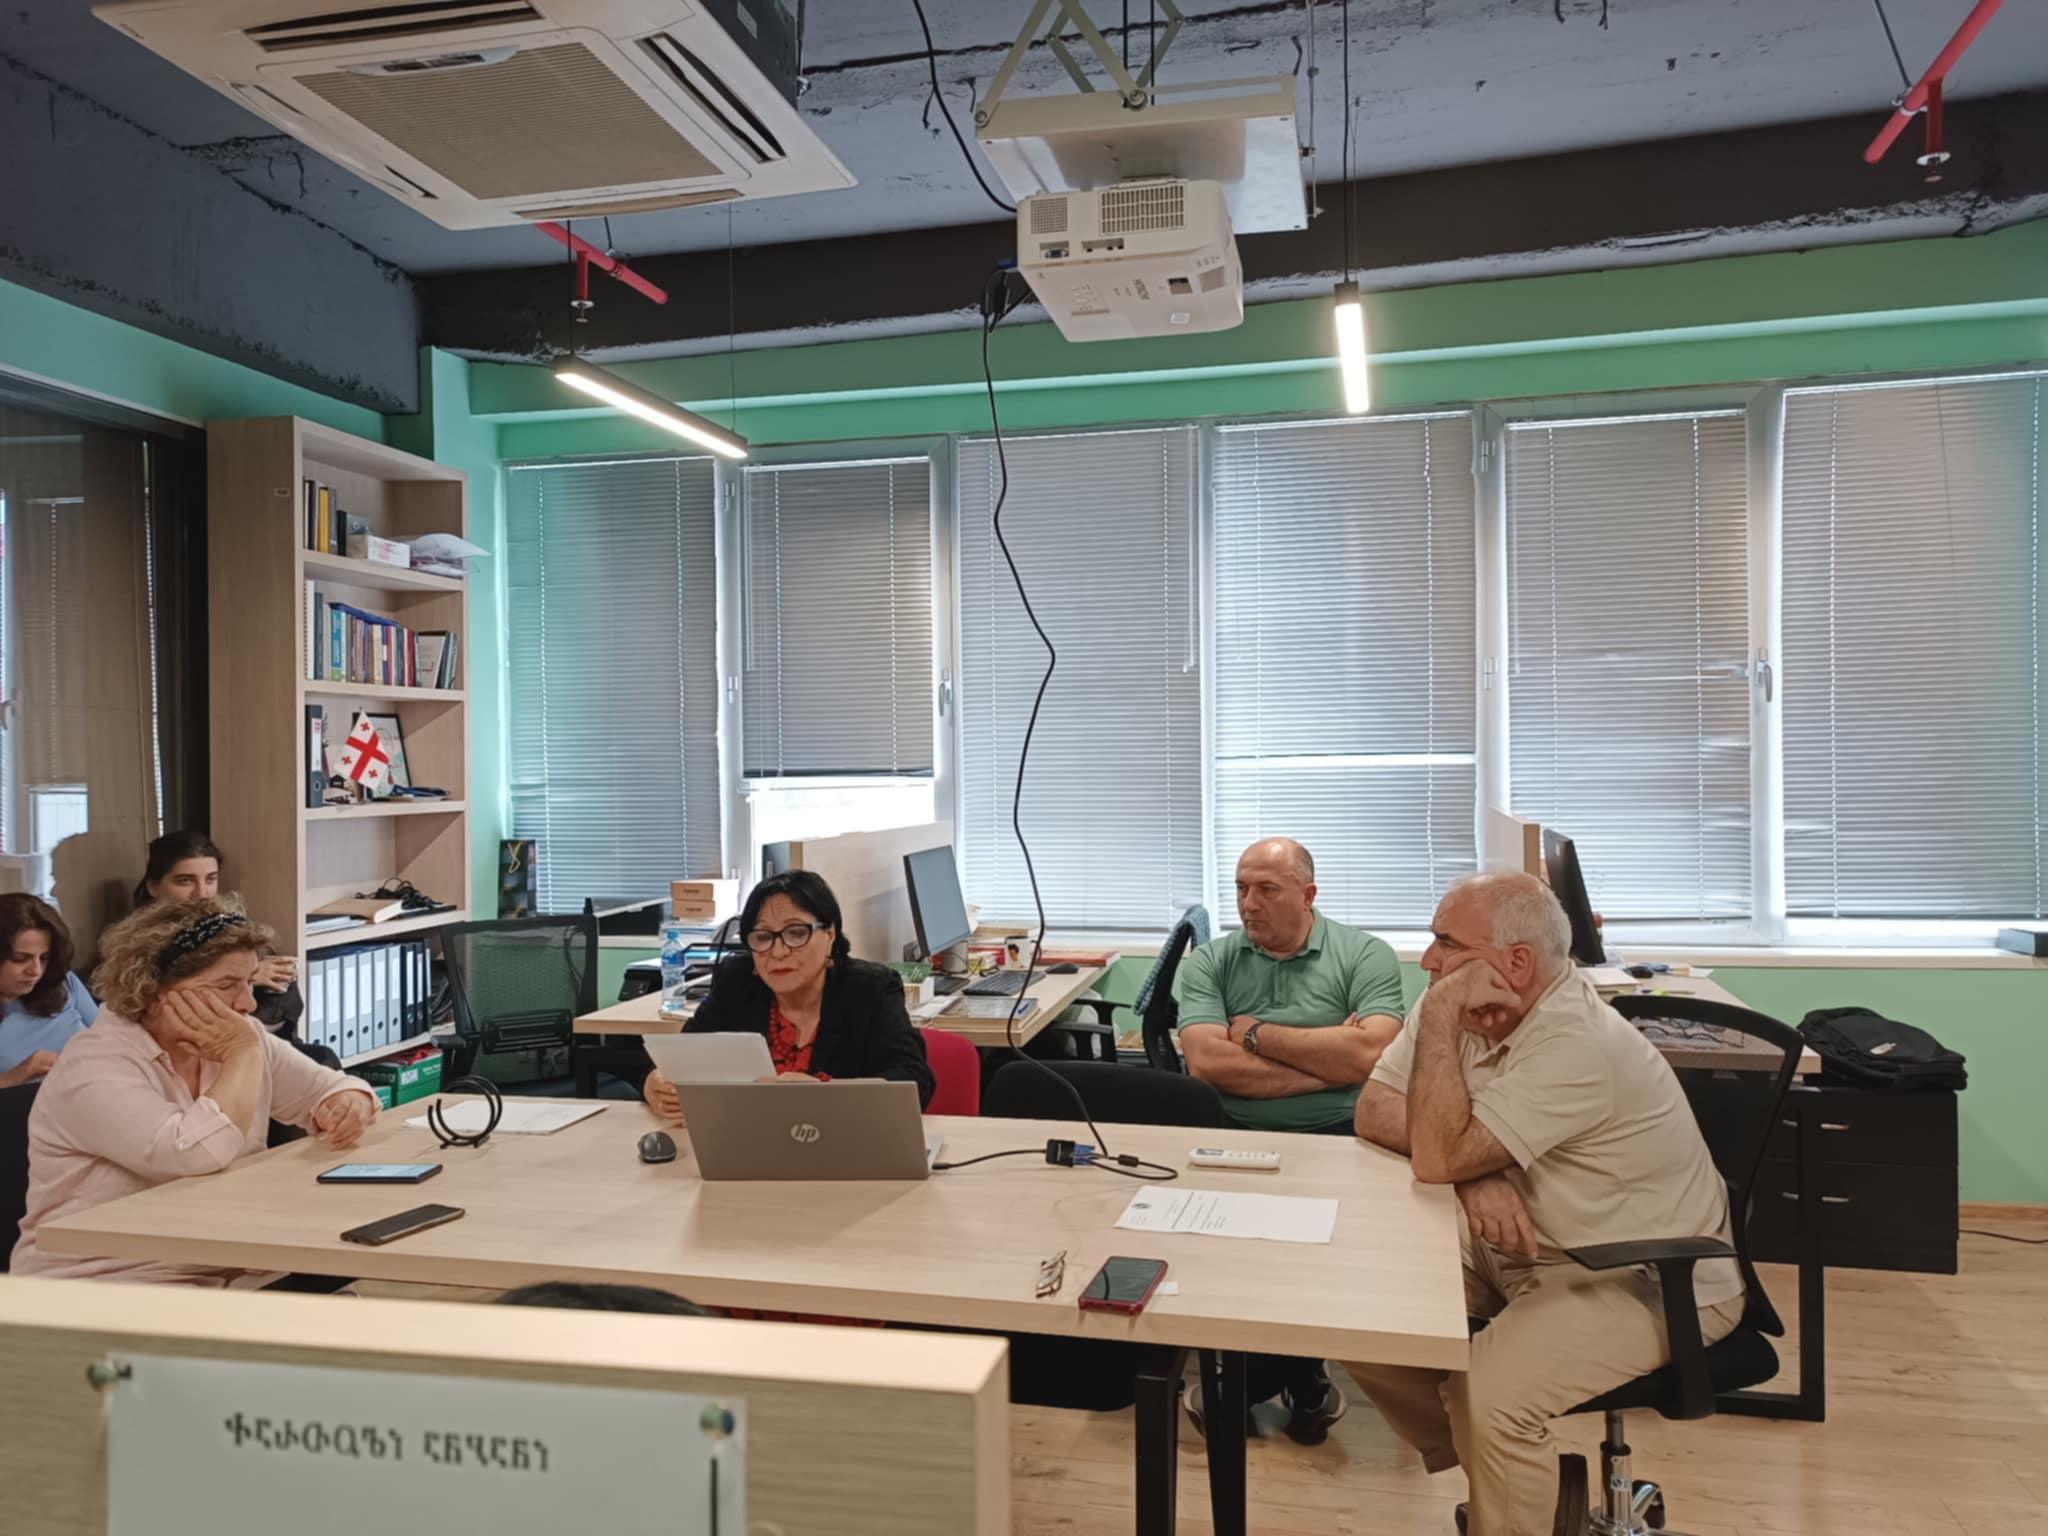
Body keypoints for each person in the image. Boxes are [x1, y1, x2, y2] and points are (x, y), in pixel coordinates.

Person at [1345, 873, 1743, 1536]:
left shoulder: (1573, 1039)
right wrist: (1477, 1176)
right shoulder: (1459, 1004)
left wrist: (1459, 1153)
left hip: (1639, 1270)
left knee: (1490, 1398)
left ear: (1517, 962)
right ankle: (1510, 1475)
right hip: (1525, 1241)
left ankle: (1504, 1466)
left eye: (1447, 943)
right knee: (1357, 1317)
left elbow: (1437, 1154)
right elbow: (1374, 1108)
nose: (1428, 961)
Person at [10, 896, 379, 1285]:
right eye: (226, 986)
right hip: (109, 1279)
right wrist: (242, 1057)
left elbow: (329, 1087)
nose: (247, 1004)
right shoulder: (93, 1065)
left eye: (249, 982)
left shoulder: (237, 1039)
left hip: (224, 1261)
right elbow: (194, 1154)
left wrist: (347, 1102)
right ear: (153, 990)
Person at [1174, 836, 1407, 1445]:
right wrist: (1332, 1061)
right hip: (1234, 1132)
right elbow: (1206, 1063)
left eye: (1266, 890)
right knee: (1239, 1260)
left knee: (1317, 1263)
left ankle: (1247, 1385)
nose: (1248, 904)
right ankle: (1304, 1383)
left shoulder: (1365, 955)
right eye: (1241, 888)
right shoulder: (1211, 962)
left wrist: (1253, 1034)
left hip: (1343, 1136)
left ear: (1308, 895)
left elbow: (1373, 1053)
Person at [639, 870, 934, 1120]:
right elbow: (684, 1054)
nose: (779, 952)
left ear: (830, 934)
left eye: (796, 933)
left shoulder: (869, 988)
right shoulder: (738, 981)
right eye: (763, 937)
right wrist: (653, 1081)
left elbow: (913, 1082)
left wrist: (826, 1096)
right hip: (748, 1145)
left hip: (844, 1146)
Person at [134, 830, 317, 1055]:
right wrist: (249, 977)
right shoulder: (138, 944)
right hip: (198, 1044)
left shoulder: (226, 925)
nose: (201, 893)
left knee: (322, 1057)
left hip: (269, 1036)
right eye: (185, 881)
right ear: (153, 886)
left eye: (211, 879)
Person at [0, 894, 98, 1089]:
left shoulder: (62, 982)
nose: (36, 971)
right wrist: (19, 1074)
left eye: (44, 958)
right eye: (20, 959)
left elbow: (111, 1039)